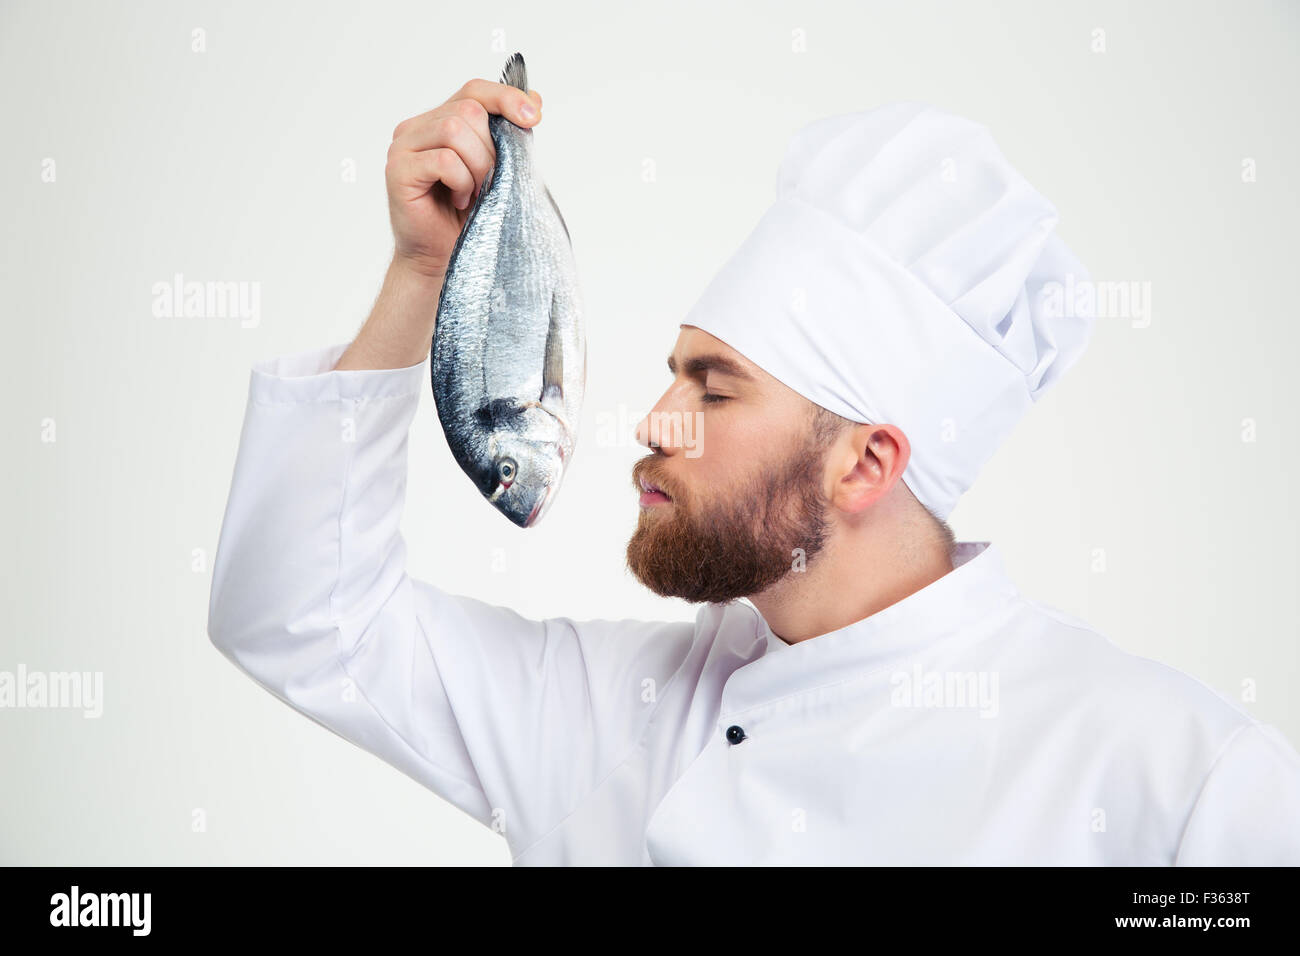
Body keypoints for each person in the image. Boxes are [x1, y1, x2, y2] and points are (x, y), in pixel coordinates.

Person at [207, 76, 1300, 866]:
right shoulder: (605, 716)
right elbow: (303, 617)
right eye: (673, 377)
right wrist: (420, 274)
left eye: (712, 390)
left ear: (866, 462)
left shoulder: (1176, 772)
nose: (654, 422)